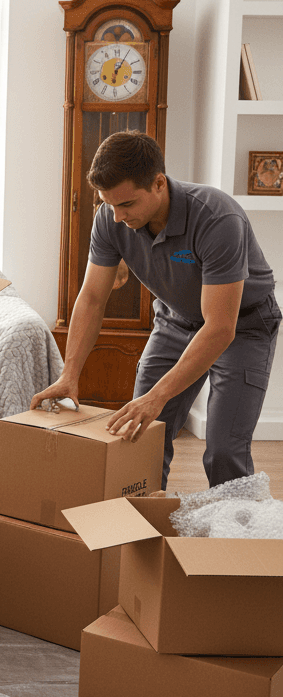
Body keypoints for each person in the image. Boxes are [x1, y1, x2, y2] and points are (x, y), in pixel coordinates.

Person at [32, 130, 279, 489]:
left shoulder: (217, 217)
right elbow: (92, 298)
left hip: (243, 326)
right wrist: (69, 374)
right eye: (108, 204)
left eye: (127, 204)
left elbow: (220, 328)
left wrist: (158, 396)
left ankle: (231, 527)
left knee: (224, 450)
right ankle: (142, 518)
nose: (117, 216)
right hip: (176, 320)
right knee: (141, 434)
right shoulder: (110, 218)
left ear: (159, 183)